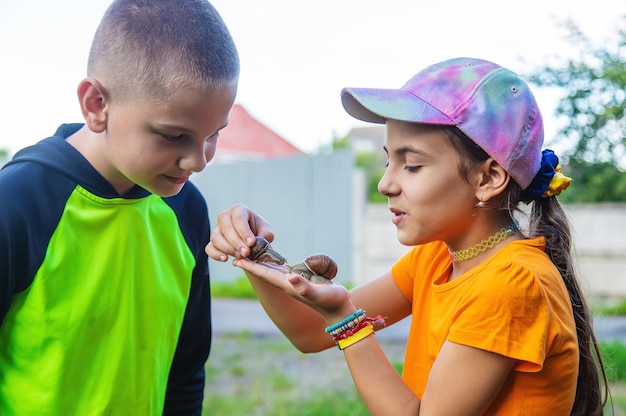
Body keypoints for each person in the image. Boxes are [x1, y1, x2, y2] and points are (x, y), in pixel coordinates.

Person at [207, 57, 610, 415]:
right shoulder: (437, 258)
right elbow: (309, 333)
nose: (385, 184)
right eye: (388, 160)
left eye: (412, 165)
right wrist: (255, 254)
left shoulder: (512, 283)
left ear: (487, 178)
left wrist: (346, 321)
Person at [0, 0, 239, 414]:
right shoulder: (16, 205)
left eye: (213, 134)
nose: (199, 160)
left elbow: (185, 370)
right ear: (96, 105)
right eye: (174, 135)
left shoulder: (187, 210)